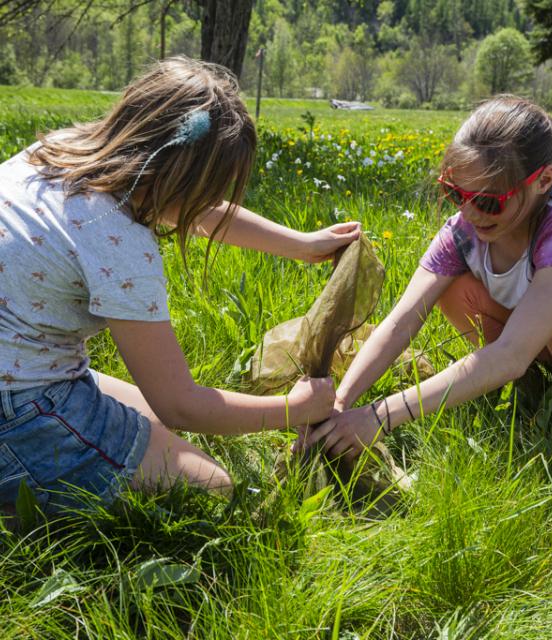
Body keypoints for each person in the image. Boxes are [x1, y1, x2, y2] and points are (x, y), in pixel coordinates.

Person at [0, 56, 360, 513]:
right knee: (210, 487)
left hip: (20, 375)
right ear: (178, 182)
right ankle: (20, 509)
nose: (210, 204)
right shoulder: (118, 241)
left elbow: (183, 204)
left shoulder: (61, 151)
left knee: (157, 430)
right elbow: (179, 404)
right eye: (207, 190)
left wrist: (302, 246)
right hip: (19, 415)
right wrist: (294, 407)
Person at [299, 95, 552, 462]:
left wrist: (379, 417)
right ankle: (539, 391)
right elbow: (401, 322)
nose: (470, 212)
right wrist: (338, 403)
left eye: (490, 201)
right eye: (455, 192)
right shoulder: (463, 232)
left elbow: (509, 354)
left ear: (543, 180)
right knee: (455, 290)